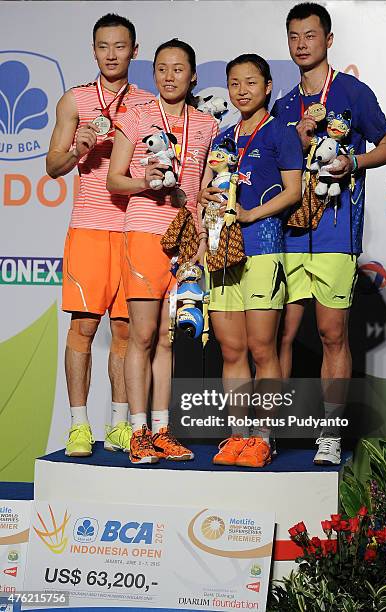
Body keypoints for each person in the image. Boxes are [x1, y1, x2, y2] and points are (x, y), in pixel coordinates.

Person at [272, 2, 386, 464]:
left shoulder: (352, 91)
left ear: (328, 40)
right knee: (279, 335)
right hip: (286, 234)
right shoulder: (283, 104)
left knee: (331, 334)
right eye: (293, 36)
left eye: (310, 35)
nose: (301, 43)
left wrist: (353, 162)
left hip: (336, 231)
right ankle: (269, 433)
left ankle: (328, 435)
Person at [46, 14, 154, 457]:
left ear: (133, 49)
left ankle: (118, 425)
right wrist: (78, 149)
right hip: (89, 229)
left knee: (126, 332)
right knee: (83, 328)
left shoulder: (147, 104)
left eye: (120, 46)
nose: (112, 54)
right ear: (93, 50)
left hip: (134, 229)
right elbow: (52, 167)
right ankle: (77, 426)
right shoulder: (75, 100)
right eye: (103, 46)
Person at [107, 39, 219, 464]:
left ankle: (162, 430)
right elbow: (114, 180)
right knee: (143, 334)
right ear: (152, 74)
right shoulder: (135, 117)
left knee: (171, 340)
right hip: (143, 232)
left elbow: (204, 189)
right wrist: (144, 178)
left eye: (178, 69)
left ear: (192, 76)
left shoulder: (207, 124)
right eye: (161, 68)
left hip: (187, 240)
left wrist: (205, 236)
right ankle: (138, 433)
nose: (169, 76)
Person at [200, 54, 303, 468]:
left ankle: (264, 436)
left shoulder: (281, 133)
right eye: (234, 83)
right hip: (223, 252)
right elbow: (208, 188)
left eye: (250, 82)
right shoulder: (223, 138)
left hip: (262, 246)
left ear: (267, 86)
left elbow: (293, 191)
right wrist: (207, 195)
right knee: (231, 349)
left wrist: (250, 215)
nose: (242, 90)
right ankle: (237, 435)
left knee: (263, 347)